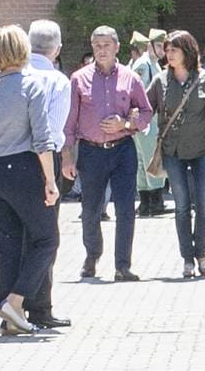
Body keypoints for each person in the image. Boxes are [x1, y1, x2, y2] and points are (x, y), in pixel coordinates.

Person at [0, 25, 60, 336]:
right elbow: (42, 138)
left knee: (7, 244)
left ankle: (9, 314)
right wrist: (50, 180)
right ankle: (16, 302)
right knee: (46, 239)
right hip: (24, 168)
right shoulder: (32, 85)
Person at [62, 26, 152, 282]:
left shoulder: (130, 78)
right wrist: (67, 155)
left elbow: (145, 112)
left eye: (106, 45)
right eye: (97, 46)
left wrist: (125, 124)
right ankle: (92, 255)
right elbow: (69, 122)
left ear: (116, 47)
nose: (102, 50)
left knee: (125, 208)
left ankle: (123, 265)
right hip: (91, 151)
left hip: (123, 150)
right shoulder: (78, 79)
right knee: (90, 208)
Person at [146, 31, 205, 279]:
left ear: (187, 52)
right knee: (181, 207)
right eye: (167, 50)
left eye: (173, 50)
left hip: (202, 150)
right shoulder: (160, 81)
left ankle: (201, 253)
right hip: (173, 151)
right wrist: (126, 121)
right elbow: (145, 107)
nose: (168, 55)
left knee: (203, 207)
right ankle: (187, 259)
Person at [23, 19, 73, 329]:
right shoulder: (57, 81)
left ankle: (13, 300)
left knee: (17, 234)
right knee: (45, 236)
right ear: (57, 49)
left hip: (10, 159)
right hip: (44, 160)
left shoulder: (14, 76)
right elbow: (54, 132)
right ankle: (40, 306)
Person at [129, 30, 167, 218]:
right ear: (150, 45)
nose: (162, 50)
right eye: (159, 46)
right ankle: (155, 200)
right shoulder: (144, 64)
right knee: (151, 157)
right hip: (147, 120)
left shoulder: (153, 64)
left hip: (147, 120)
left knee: (143, 159)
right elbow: (139, 93)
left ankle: (146, 202)